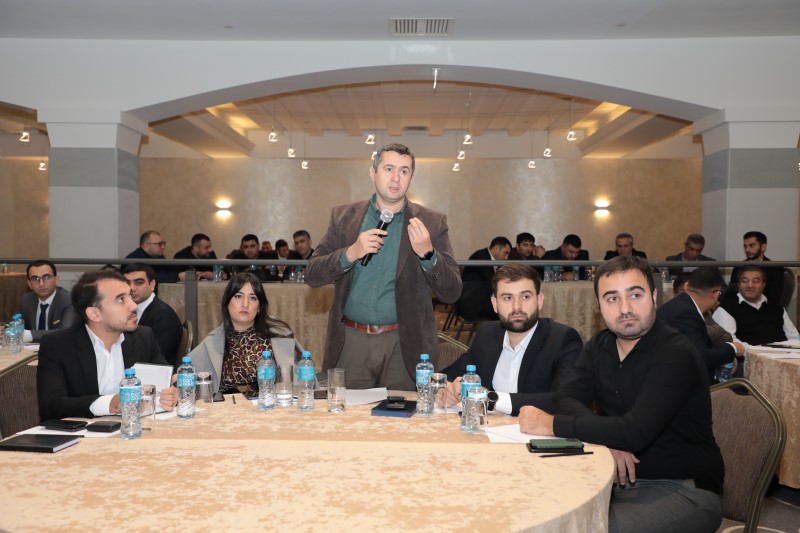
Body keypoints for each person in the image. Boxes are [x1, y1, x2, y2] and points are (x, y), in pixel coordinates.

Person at [518, 256, 723, 533]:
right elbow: (564, 398)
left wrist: (550, 424)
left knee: (589, 530)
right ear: (599, 306)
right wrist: (609, 439)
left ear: (654, 297)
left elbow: (634, 433)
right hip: (613, 480)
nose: (625, 308)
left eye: (635, 295)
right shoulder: (599, 346)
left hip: (685, 488)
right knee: (538, 509)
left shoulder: (675, 353)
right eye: (612, 299)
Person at [305, 143, 461, 390]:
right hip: (351, 342)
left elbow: (452, 292)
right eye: (389, 169)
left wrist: (428, 254)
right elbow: (312, 275)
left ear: (411, 178)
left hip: (404, 346)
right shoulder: (343, 218)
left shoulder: (431, 222)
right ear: (373, 173)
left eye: (404, 171)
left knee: (404, 414)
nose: (396, 178)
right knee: (349, 415)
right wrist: (350, 253)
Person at [37, 269, 178, 421]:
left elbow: (164, 384)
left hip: (134, 429)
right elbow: (51, 406)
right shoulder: (58, 345)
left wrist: (171, 394)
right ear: (95, 314)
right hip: (83, 432)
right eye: (121, 299)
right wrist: (110, 404)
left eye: (130, 296)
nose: (133, 306)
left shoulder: (144, 337)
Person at [440, 264, 582, 414]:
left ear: (539, 300)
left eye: (525, 297)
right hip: (487, 426)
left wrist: (491, 400)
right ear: (495, 304)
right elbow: (449, 374)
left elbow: (566, 400)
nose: (517, 307)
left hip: (531, 428)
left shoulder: (562, 340)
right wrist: (444, 389)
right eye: (507, 298)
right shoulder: (487, 334)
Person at [189, 272, 298, 395]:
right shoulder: (213, 342)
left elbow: (303, 380)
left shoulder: (280, 335)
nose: (245, 304)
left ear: (259, 307)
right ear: (227, 302)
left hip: (272, 404)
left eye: (253, 298)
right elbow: (185, 373)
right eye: (238, 296)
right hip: (229, 406)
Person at [657, 267, 743, 384]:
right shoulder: (686, 313)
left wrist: (724, 355)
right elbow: (702, 358)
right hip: (678, 385)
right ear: (715, 294)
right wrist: (733, 348)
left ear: (686, 286)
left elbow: (698, 347)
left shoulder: (682, 305)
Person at [713, 264, 800, 346]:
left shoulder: (778, 309)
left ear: (763, 285)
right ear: (739, 284)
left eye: (755, 281)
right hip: (747, 356)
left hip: (783, 355)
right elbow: (731, 344)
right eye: (744, 281)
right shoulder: (726, 309)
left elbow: (795, 339)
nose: (750, 285)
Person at [122, 263, 183, 366]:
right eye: (127, 283)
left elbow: (154, 358)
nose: (131, 288)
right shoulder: (126, 310)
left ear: (152, 285)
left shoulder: (163, 316)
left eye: (138, 283)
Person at [18, 259, 78, 342]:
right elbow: (18, 325)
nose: (41, 284)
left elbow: (65, 332)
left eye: (46, 277)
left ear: (56, 280)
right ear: (29, 284)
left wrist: (30, 335)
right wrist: (7, 329)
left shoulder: (69, 301)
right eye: (35, 279)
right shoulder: (26, 300)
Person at [458, 236, 512, 321]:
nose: (506, 258)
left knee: (506, 305)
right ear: (496, 248)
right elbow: (492, 282)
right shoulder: (481, 258)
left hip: (477, 299)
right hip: (472, 305)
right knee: (505, 309)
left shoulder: (485, 256)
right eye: (505, 253)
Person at [725, 231, 784, 306]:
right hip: (740, 308)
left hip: (765, 309)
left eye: (752, 246)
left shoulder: (775, 269)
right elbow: (732, 294)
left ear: (763, 247)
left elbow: (774, 298)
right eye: (745, 246)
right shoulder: (738, 267)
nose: (747, 250)